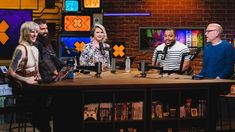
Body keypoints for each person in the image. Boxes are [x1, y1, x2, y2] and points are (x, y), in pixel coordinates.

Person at [7, 21, 51, 132]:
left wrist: (40, 78)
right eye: (32, 32)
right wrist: (26, 79)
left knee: (51, 93)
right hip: (21, 85)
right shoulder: (20, 49)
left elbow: (37, 71)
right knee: (43, 96)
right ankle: (39, 123)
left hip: (33, 84)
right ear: (25, 33)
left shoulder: (35, 49)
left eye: (36, 32)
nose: (35, 34)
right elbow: (10, 72)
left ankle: (43, 124)